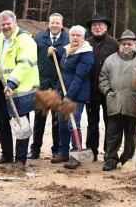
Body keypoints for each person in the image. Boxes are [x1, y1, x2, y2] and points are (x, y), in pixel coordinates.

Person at [0, 10, 39, 170]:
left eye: (8, 23)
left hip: (19, 88)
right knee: (2, 122)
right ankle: (6, 154)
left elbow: (25, 64)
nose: (6, 27)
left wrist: (13, 83)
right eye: (3, 25)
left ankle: (20, 159)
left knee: (21, 123)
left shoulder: (26, 40)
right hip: (0, 86)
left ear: (15, 23)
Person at [28, 13, 69, 162]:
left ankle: (56, 150)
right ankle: (35, 150)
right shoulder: (39, 39)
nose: (55, 25)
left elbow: (68, 62)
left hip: (58, 84)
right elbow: (33, 60)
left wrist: (56, 55)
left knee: (57, 119)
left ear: (62, 25)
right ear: (48, 24)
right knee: (39, 118)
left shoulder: (68, 40)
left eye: (58, 23)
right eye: (52, 23)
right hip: (42, 84)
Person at [99, 30, 136, 171]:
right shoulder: (110, 59)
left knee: (131, 133)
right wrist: (107, 92)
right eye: (123, 44)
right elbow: (103, 78)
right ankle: (111, 158)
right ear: (119, 45)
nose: (126, 46)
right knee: (113, 133)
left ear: (135, 44)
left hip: (134, 102)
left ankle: (128, 158)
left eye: (129, 44)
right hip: (114, 101)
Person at [54, 25, 94, 170]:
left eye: (78, 35)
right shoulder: (67, 50)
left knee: (73, 125)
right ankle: (63, 152)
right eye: (73, 35)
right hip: (63, 93)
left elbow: (79, 76)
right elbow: (64, 70)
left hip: (76, 95)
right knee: (63, 123)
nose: (75, 38)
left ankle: (75, 155)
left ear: (83, 37)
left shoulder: (86, 53)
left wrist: (69, 96)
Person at [85, 14, 119, 161]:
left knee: (110, 123)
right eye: (94, 25)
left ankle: (109, 152)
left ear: (106, 27)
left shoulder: (114, 44)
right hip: (90, 90)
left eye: (100, 25)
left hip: (109, 91)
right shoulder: (85, 44)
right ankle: (91, 152)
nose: (97, 27)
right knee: (92, 123)